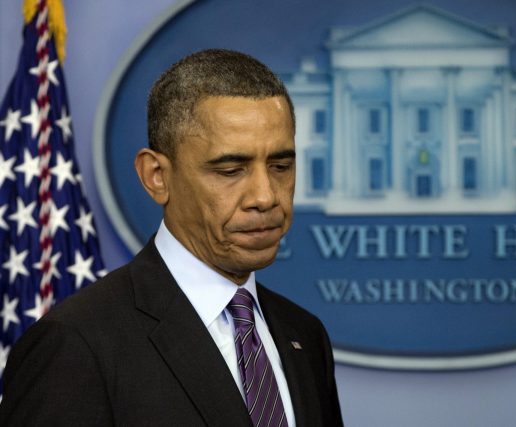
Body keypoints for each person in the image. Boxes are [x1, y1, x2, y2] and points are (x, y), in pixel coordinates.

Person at [0, 49, 344, 426]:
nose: (265, 196)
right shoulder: (77, 343)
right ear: (157, 177)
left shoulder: (304, 336)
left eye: (281, 166)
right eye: (230, 170)